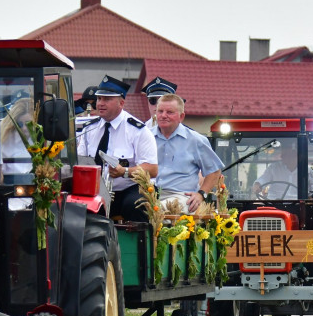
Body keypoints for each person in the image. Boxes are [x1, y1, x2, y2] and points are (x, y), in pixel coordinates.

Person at [76, 75, 158, 221]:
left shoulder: (137, 130)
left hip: (128, 188)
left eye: (107, 99)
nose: (100, 103)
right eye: (99, 99)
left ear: (121, 102)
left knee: (136, 205)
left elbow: (152, 169)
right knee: (73, 206)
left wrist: (125, 171)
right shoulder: (89, 129)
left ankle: (136, 243)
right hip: (95, 190)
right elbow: (79, 161)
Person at [152, 94, 223, 212]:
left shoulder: (196, 140)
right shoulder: (146, 137)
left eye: (169, 112)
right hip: (149, 194)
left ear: (181, 116)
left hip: (181, 197)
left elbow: (214, 171)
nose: (163, 115)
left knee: (156, 210)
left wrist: (201, 194)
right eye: (160, 111)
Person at [0, 97, 35, 174]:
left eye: (29, 124)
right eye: (20, 124)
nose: (24, 128)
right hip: (8, 182)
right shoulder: (3, 136)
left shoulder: (43, 139)